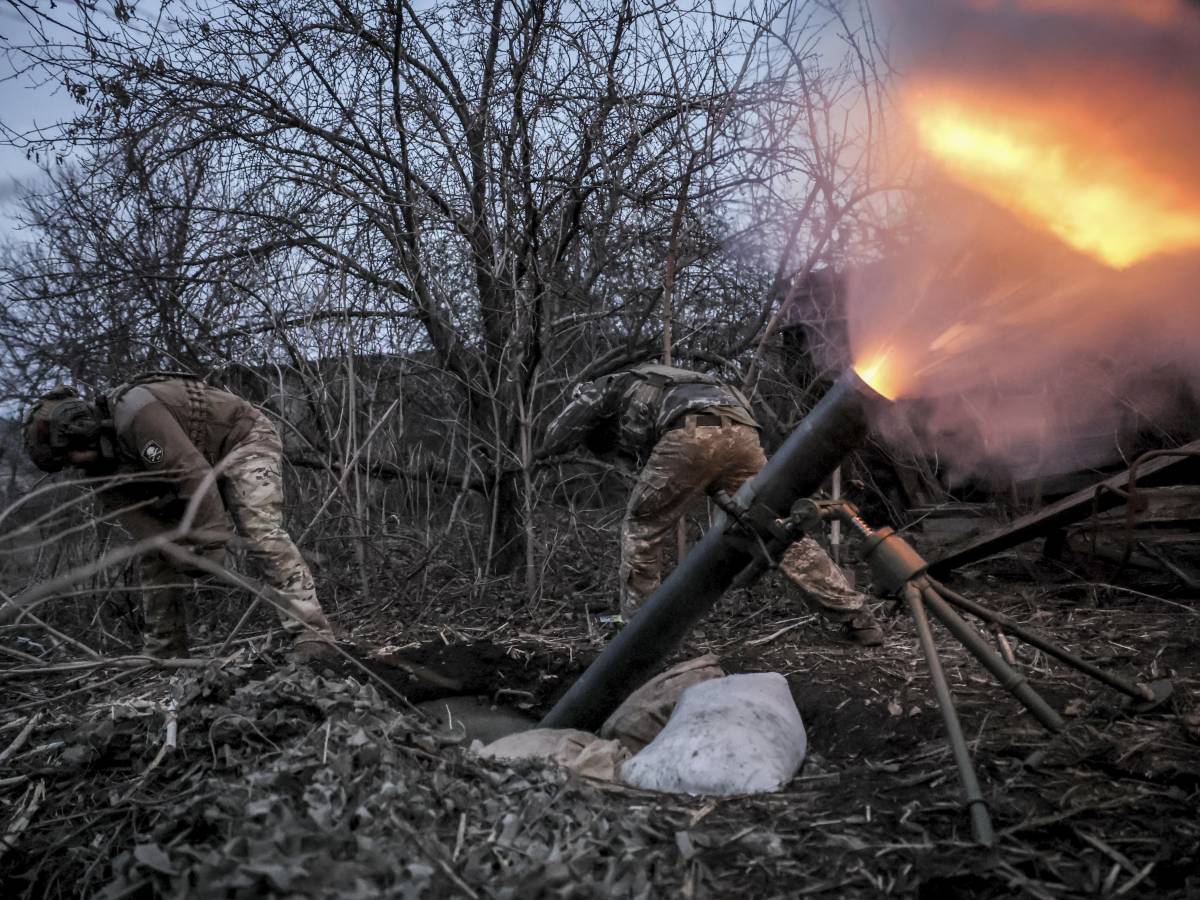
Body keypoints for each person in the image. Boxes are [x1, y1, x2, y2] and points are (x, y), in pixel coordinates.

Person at [540, 363, 884, 645]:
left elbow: (556, 434)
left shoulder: (604, 385)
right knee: (773, 526)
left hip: (690, 433)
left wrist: (538, 454)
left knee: (642, 528)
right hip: (742, 431)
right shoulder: (669, 382)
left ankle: (635, 632)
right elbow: (709, 464)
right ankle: (856, 615)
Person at [22, 373, 338, 660]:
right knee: (153, 554)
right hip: (187, 469)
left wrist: (210, 548)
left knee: (260, 530)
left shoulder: (137, 414)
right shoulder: (97, 468)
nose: (75, 463)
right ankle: (165, 651)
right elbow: (140, 522)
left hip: (241, 440)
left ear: (80, 431)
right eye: (66, 462)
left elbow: (195, 476)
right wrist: (176, 550)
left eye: (71, 454)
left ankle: (313, 634)